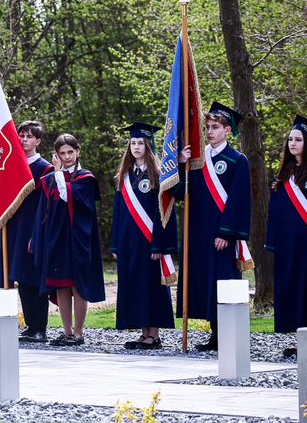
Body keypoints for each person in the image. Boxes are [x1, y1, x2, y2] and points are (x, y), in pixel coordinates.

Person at [177, 101, 252, 352]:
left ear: (228, 131)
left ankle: (226, 335)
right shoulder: (198, 159)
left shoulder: (237, 160)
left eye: (215, 127)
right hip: (199, 231)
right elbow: (181, 193)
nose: (209, 131)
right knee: (205, 281)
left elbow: (239, 200)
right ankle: (213, 335)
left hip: (221, 233)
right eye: (207, 127)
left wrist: (226, 232)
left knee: (223, 281)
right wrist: (181, 164)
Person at [31, 133, 104, 346]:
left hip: (79, 239)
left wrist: (57, 172)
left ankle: (79, 333)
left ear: (77, 151)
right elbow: (42, 212)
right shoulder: (49, 180)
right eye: (62, 153)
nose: (67, 156)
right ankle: (67, 331)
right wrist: (36, 238)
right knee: (60, 284)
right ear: (57, 155)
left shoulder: (85, 178)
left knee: (77, 285)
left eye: (70, 152)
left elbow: (68, 196)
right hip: (57, 237)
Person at [111, 123, 178, 350]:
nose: (136, 147)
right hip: (129, 243)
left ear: (148, 146)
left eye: (141, 143)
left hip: (150, 243)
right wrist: (115, 244)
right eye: (133, 143)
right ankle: (142, 332)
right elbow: (118, 213)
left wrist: (160, 244)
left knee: (151, 286)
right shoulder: (125, 177)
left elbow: (164, 214)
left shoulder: (158, 176)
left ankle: (154, 335)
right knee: (134, 286)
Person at [265, 114, 307, 358]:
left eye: (298, 139)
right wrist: (273, 241)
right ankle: (299, 337)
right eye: (290, 139)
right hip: (288, 245)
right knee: (292, 288)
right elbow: (275, 210)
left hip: (305, 244)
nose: (292, 143)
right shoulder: (283, 173)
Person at [9, 120, 52, 344]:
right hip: (15, 228)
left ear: (38, 141)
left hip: (34, 229)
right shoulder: (13, 165)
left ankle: (40, 328)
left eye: (29, 136)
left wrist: (38, 234)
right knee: (21, 279)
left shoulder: (45, 169)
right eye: (21, 136)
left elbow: (46, 206)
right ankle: (29, 325)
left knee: (34, 279)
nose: (24, 139)